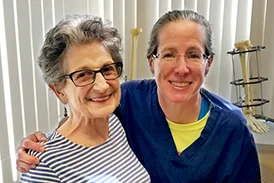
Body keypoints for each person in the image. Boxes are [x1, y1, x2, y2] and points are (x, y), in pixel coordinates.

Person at [17, 10, 261, 182]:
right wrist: (40, 147)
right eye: (168, 54)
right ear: (151, 62)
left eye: (194, 55)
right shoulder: (128, 102)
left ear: (208, 63)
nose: (182, 67)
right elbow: (82, 121)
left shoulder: (232, 127)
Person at [18, 14, 150, 183]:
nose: (102, 85)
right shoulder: (44, 165)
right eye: (83, 75)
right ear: (59, 90)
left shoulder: (115, 126)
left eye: (107, 69)